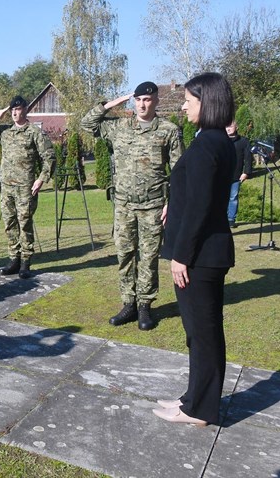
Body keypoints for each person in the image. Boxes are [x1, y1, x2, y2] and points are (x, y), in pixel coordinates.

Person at [154, 72, 237, 426]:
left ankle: (199, 410)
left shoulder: (207, 145)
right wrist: (175, 201)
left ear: (207, 102)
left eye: (189, 100)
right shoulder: (216, 140)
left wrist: (181, 256)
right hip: (206, 254)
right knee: (198, 332)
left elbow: (202, 206)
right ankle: (194, 397)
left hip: (200, 257)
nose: (184, 105)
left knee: (202, 334)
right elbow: (198, 194)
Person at [80, 82, 183, 330]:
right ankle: (129, 304)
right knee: (125, 255)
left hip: (153, 205)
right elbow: (86, 124)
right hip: (124, 205)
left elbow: (181, 172)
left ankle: (145, 306)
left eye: (147, 99)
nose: (142, 104)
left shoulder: (169, 131)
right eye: (138, 100)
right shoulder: (120, 127)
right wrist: (109, 105)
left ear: (156, 100)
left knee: (148, 257)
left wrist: (172, 203)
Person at [0, 96, 55, 278]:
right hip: (7, 189)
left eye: (18, 109)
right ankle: (14, 259)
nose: (14, 112)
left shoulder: (35, 133)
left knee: (25, 224)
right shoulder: (5, 132)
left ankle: (26, 262)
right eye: (12, 109)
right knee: (9, 224)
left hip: (25, 188)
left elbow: (49, 157)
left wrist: (41, 179)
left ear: (25, 109)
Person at [226, 120, 252, 228]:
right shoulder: (221, 140)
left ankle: (231, 220)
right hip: (221, 175)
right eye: (226, 126)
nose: (228, 128)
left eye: (231, 126)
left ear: (236, 127)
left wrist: (246, 172)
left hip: (236, 176)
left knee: (233, 197)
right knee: (220, 198)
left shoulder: (243, 141)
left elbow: (248, 158)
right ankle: (220, 220)